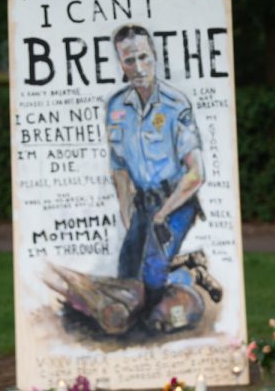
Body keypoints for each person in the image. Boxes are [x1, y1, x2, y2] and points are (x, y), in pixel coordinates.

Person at [46, 24, 221, 336]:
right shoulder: (116, 107)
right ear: (121, 63)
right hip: (144, 203)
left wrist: (163, 214)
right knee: (127, 274)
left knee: (151, 277)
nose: (138, 67)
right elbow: (119, 167)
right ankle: (184, 267)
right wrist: (126, 209)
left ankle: (181, 286)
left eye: (143, 57)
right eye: (129, 60)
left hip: (177, 201)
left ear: (154, 55)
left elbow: (196, 174)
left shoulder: (175, 104)